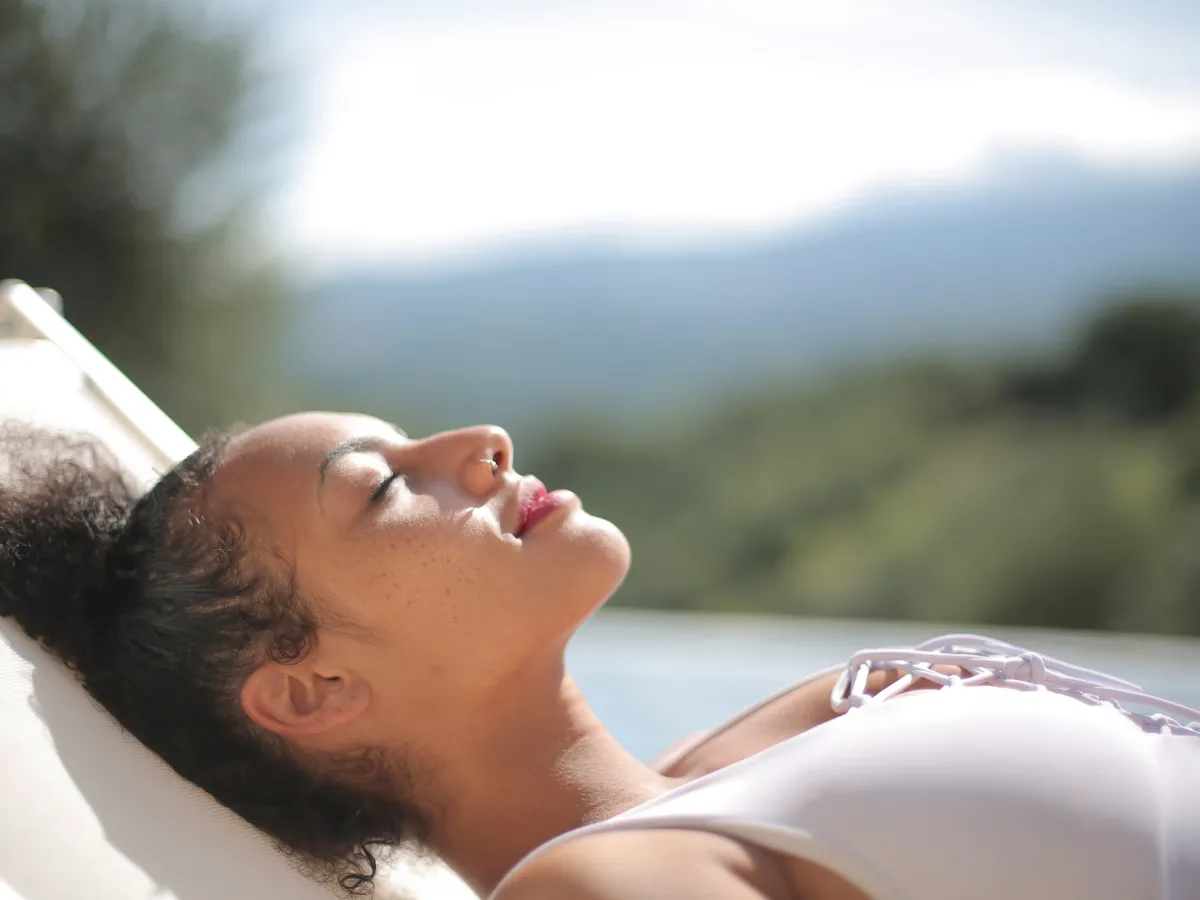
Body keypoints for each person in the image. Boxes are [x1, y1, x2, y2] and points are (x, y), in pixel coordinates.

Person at [1, 414, 1197, 900]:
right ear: (313, 689)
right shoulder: (603, 890)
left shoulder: (722, 766)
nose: (476, 444)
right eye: (379, 486)